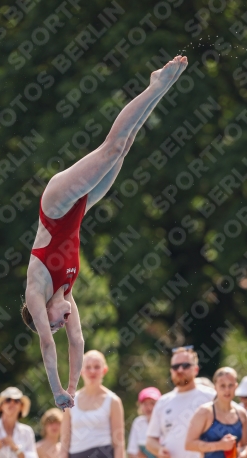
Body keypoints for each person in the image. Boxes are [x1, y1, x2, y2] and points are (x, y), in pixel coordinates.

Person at [21, 56, 188, 409]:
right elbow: (77, 341)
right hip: (80, 209)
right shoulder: (67, 294)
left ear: (38, 315)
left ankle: (155, 84)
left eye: (52, 324)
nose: (61, 323)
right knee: (123, 149)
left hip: (56, 206)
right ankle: (162, 88)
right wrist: (70, 389)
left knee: (110, 147)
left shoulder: (36, 292)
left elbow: (49, 347)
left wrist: (53, 391)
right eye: (58, 324)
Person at [146, 346, 215, 458]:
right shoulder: (163, 402)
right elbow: (150, 440)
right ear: (171, 371)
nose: (180, 369)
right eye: (175, 366)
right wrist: (159, 450)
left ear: (196, 369)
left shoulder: (210, 397)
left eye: (186, 365)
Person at [56, 350, 125, 458]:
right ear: (80, 370)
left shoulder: (113, 401)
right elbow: (64, 443)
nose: (92, 371)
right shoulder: (70, 401)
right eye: (88, 367)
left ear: (104, 370)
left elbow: (119, 444)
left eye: (96, 366)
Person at [185, 367, 247, 458]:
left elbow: (245, 445)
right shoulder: (205, 412)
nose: (227, 390)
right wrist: (220, 445)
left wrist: (241, 457)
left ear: (236, 386)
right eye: (223, 386)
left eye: (230, 385)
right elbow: (189, 444)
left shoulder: (242, 414)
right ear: (215, 387)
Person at [125, 387, 162, 458]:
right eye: (145, 404)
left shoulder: (165, 422)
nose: (149, 407)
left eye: (152, 403)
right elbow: (132, 454)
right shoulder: (138, 423)